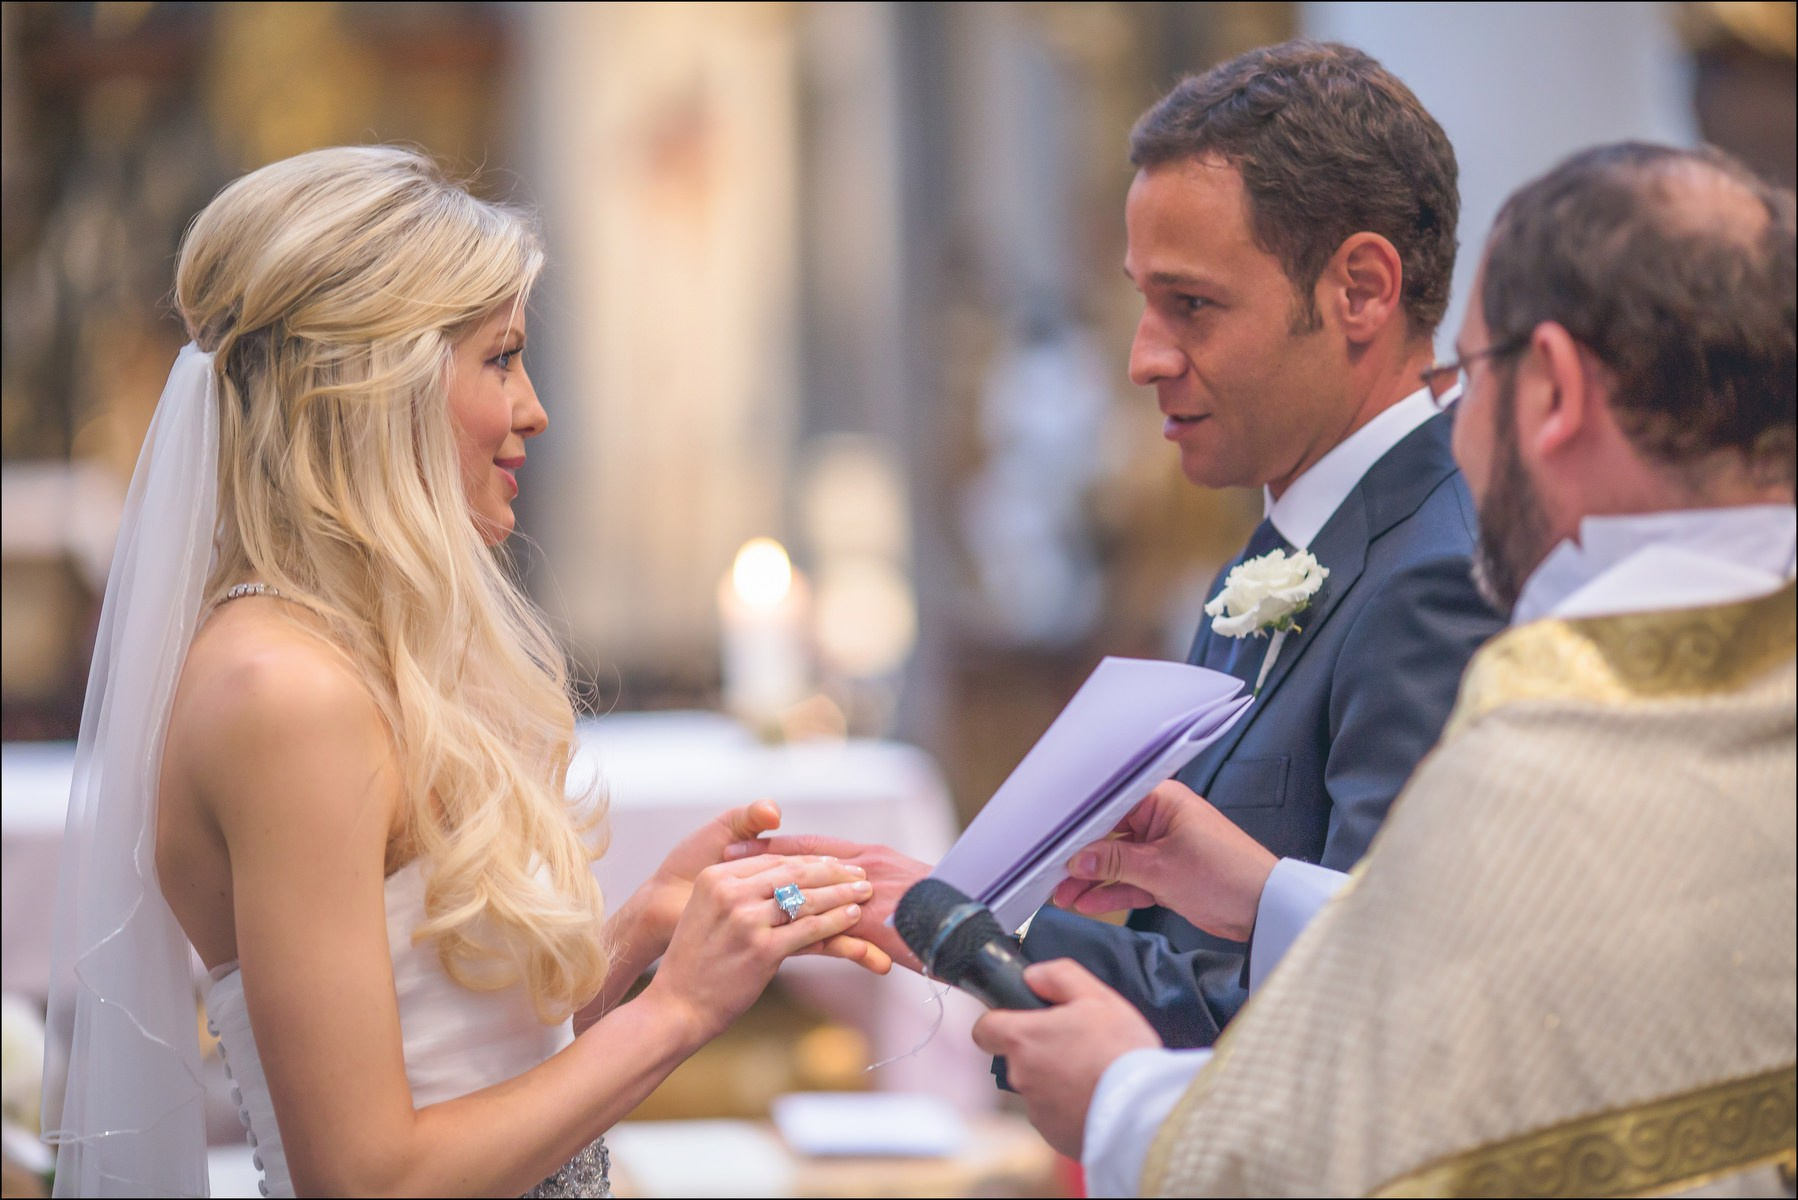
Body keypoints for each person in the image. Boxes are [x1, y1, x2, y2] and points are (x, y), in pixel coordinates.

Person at [42, 146, 891, 1199]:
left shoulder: (348, 654)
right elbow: (369, 1179)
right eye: (500, 360)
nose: (533, 408)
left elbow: (465, 1079)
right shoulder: (283, 693)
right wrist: (680, 1014)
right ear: (376, 386)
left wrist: (636, 945)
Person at [972, 140, 1797, 1197]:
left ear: (1553, 392)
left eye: (1476, 374)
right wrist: (1264, 894)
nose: (1457, 437)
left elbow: (1356, 1145)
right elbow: (1547, 969)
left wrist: (1121, 1098)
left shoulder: (1560, 740)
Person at [737, 39, 1503, 1050]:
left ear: (1360, 289)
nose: (1143, 358)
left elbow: (1371, 1017)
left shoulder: (1433, 576)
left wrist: (964, 931)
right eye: (1143, 301)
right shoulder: (1293, 539)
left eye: (1190, 305)